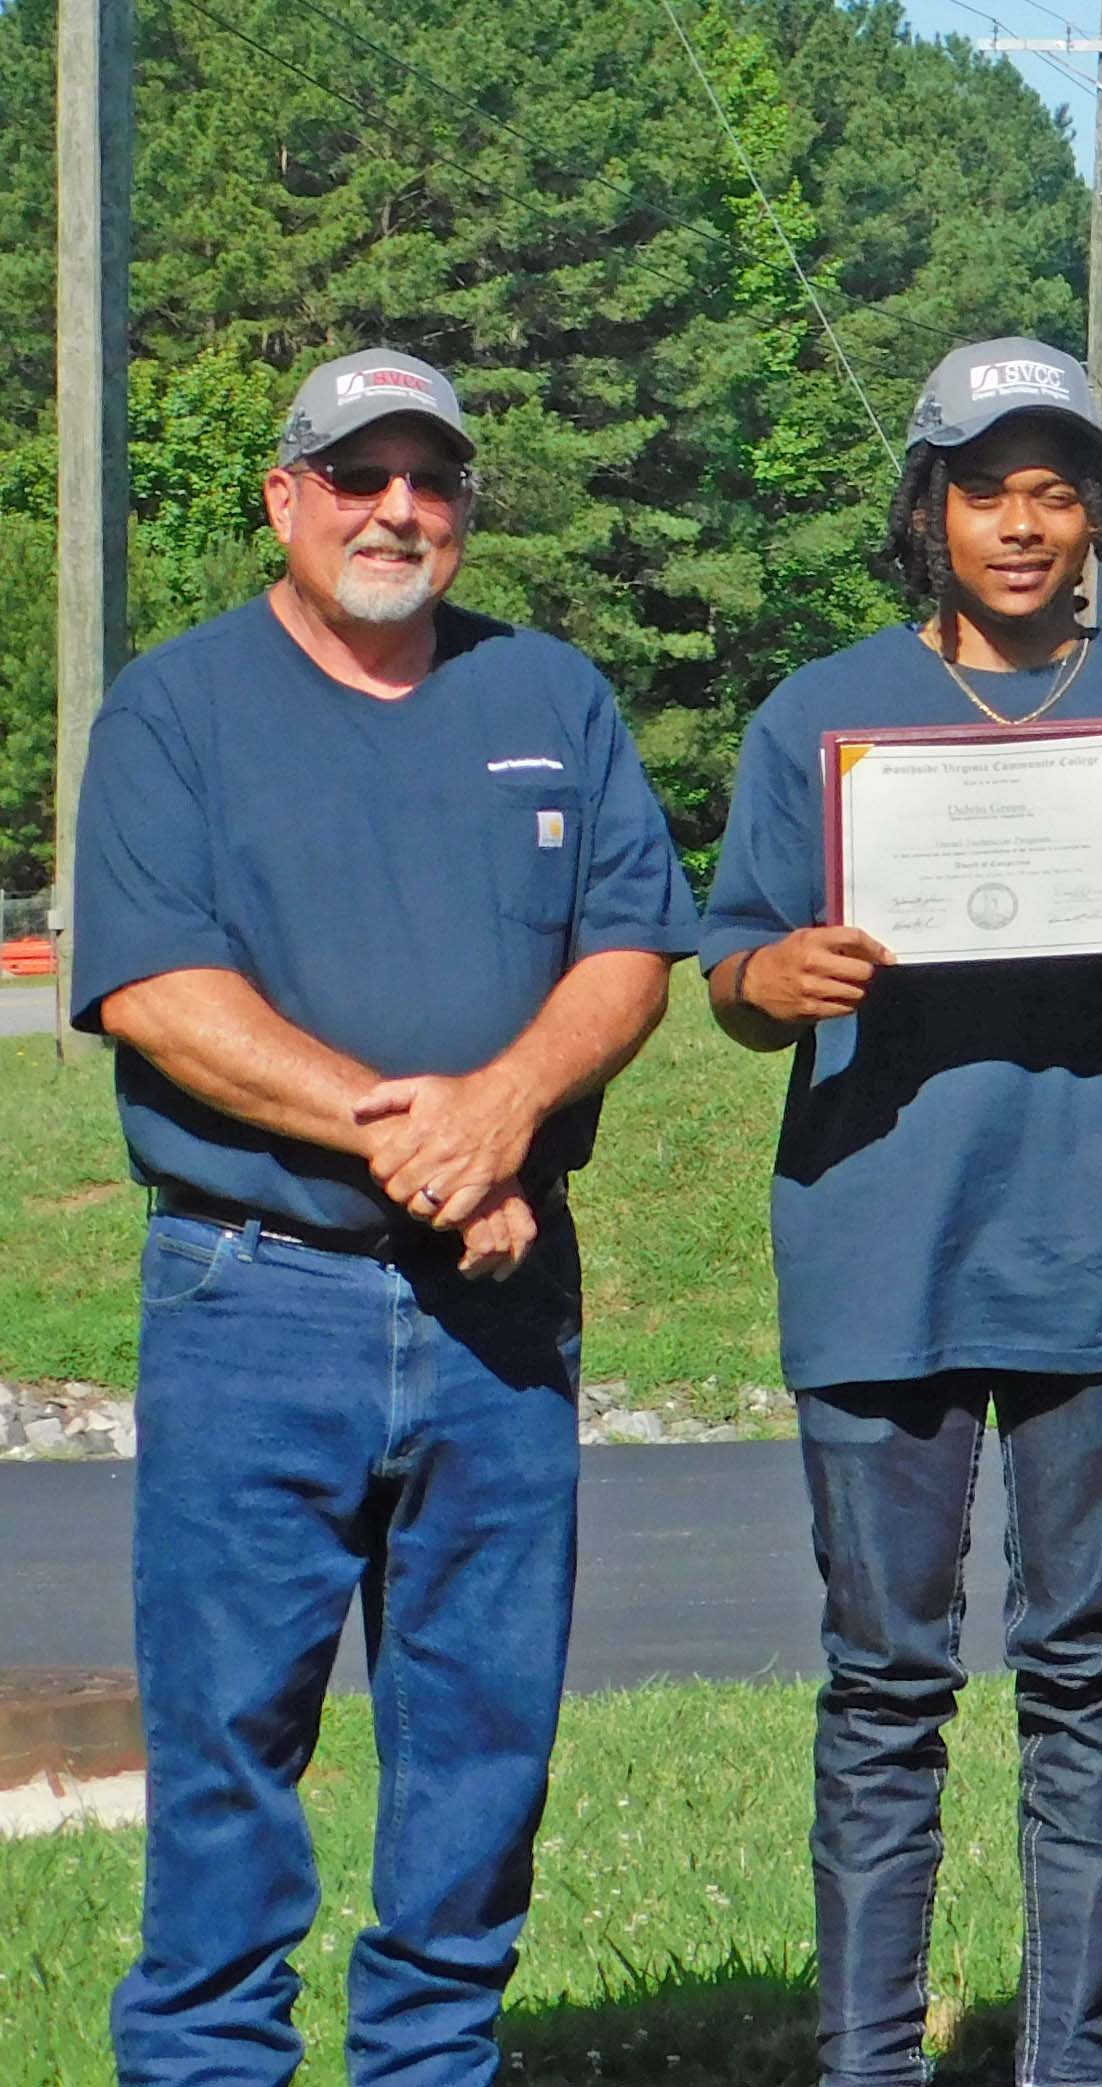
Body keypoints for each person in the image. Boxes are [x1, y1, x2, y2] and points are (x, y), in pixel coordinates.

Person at [78, 348, 694, 2082]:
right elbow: (152, 989)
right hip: (254, 1293)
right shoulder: (178, 709)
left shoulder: (551, 697)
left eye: (430, 480)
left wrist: (503, 1117)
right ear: (284, 500)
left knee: (484, 1740)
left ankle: (432, 2061)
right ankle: (206, 2058)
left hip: (502, 1304)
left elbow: (631, 948)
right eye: (357, 477)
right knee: (229, 1737)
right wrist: (417, 1146)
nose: (396, 510)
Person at [694, 338, 1102, 2087]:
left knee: (1088, 1677)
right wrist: (773, 979)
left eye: (1055, 490)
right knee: (884, 1690)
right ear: (926, 512)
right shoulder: (820, 714)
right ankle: (865, 2060)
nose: (1023, 525)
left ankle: (1069, 2059)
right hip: (880, 1251)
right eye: (985, 489)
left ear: (1098, 513)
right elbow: (726, 971)